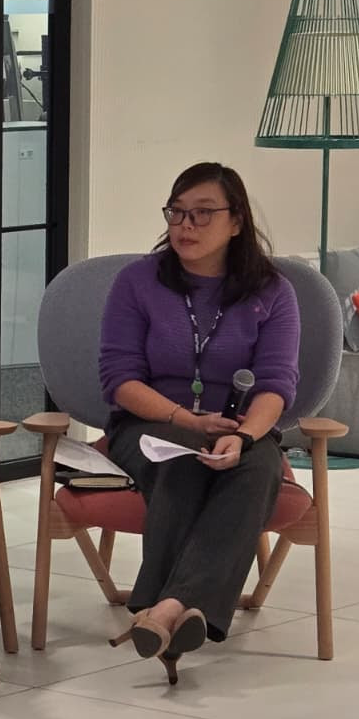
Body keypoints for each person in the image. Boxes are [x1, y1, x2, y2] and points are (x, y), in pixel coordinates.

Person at [98, 161, 299, 683]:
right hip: (149, 424)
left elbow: (277, 385)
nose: (185, 226)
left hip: (238, 426)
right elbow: (120, 380)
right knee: (185, 459)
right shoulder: (138, 282)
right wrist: (185, 418)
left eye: (203, 213)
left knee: (258, 465)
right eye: (177, 212)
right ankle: (181, 606)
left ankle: (164, 609)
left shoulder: (271, 292)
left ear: (237, 221)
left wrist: (245, 436)